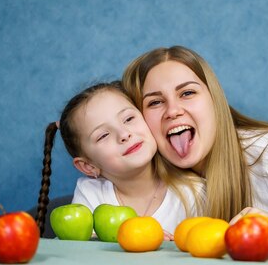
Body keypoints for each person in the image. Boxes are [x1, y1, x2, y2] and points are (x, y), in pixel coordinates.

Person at [122, 46, 268, 225]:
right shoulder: (155, 184)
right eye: (155, 102)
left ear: (215, 100)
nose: (173, 111)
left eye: (187, 93)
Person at [35, 81, 204, 238]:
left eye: (129, 119)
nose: (124, 134)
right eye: (103, 135)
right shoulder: (91, 193)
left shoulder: (192, 192)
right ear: (88, 166)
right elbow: (84, 254)